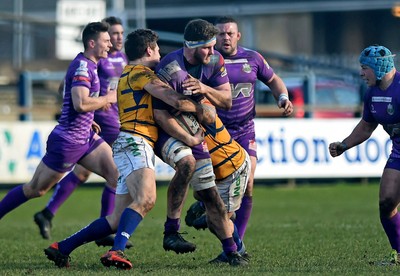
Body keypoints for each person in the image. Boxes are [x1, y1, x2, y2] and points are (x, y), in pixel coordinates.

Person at [44, 28, 205, 270]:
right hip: (135, 142)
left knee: (116, 219)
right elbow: (173, 100)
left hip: (127, 143)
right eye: (158, 49)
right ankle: (116, 251)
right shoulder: (141, 73)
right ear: (149, 50)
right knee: (147, 198)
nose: (160, 53)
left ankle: (62, 247)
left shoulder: (127, 73)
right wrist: (201, 106)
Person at [185, 16, 293, 245]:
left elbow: (274, 81)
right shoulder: (208, 59)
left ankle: (237, 241)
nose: (225, 38)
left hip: (244, 130)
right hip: (215, 132)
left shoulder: (252, 58)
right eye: (221, 34)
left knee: (248, 183)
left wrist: (282, 97)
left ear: (238, 36)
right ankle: (207, 206)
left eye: (229, 33)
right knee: (207, 186)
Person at [0, 22, 119, 222]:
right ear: (92, 43)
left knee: (116, 177)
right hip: (69, 141)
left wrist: (86, 120)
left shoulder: (89, 64)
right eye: (106, 41)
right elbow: (80, 103)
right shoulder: (83, 67)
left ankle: (106, 231)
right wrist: (107, 99)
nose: (110, 45)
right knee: (35, 189)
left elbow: (65, 90)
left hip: (86, 138)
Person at [154, 18, 248, 266]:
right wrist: (188, 135)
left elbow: (226, 101)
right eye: (206, 47)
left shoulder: (215, 60)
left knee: (211, 195)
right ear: (190, 45)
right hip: (168, 131)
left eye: (213, 45)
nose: (212, 51)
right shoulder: (170, 67)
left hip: (197, 132)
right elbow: (161, 113)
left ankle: (232, 252)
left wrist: (203, 89)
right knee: (187, 164)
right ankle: (171, 230)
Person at [33, 16, 132, 248]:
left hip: (108, 120)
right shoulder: (95, 62)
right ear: (95, 41)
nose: (116, 38)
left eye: (119, 34)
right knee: (119, 173)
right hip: (105, 122)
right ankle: (107, 226)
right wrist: (82, 113)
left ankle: (48, 213)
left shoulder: (122, 58)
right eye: (112, 35)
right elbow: (68, 90)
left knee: (84, 173)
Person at [329, 45, 400, 265]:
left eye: (364, 68)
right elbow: (366, 127)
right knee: (387, 202)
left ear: (378, 68)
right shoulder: (372, 93)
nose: (361, 73)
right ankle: (398, 253)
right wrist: (344, 145)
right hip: (398, 151)